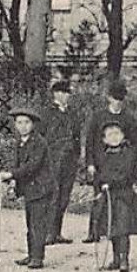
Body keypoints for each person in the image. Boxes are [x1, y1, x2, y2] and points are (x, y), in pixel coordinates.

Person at [0, 105, 55, 269]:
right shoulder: (19, 143)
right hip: (29, 189)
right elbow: (17, 163)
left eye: (27, 122)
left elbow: (31, 166)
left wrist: (11, 175)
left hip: (41, 188)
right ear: (15, 124)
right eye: (19, 122)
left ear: (33, 124)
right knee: (30, 223)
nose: (23, 126)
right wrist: (14, 182)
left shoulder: (39, 143)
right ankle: (31, 254)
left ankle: (38, 257)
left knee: (37, 223)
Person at [84, 81, 136, 243]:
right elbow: (90, 141)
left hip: (120, 164)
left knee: (119, 203)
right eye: (115, 99)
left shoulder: (128, 118)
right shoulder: (98, 116)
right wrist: (90, 163)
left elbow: (134, 141)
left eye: (121, 99)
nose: (118, 102)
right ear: (109, 98)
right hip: (101, 164)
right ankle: (94, 232)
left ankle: (116, 232)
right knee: (99, 198)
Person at [94, 120, 137, 271]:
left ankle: (124, 259)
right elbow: (98, 174)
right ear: (104, 139)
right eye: (110, 134)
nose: (114, 137)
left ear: (123, 136)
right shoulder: (103, 155)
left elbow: (127, 174)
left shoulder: (128, 153)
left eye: (117, 133)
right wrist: (99, 186)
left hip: (123, 195)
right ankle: (115, 258)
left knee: (122, 229)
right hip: (108, 196)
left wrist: (110, 183)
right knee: (111, 227)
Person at [40, 79, 83, 245]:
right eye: (63, 93)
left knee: (65, 196)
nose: (66, 96)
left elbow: (77, 136)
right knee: (53, 195)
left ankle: (57, 232)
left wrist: (77, 156)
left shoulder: (73, 113)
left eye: (67, 93)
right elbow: (41, 137)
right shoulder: (47, 113)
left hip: (69, 161)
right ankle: (48, 233)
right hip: (53, 160)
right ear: (55, 94)